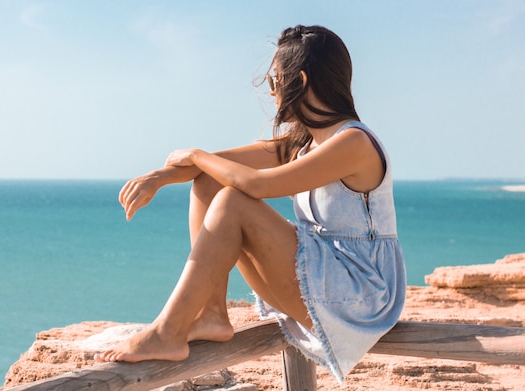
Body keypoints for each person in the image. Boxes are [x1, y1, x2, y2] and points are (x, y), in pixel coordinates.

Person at [94, 24, 406, 383]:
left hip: (362, 298)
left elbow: (254, 185)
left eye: (275, 82)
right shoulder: (304, 143)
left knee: (232, 200)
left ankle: (167, 332)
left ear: (300, 82)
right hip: (324, 279)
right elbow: (213, 167)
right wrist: (161, 177)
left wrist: (195, 154)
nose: (272, 93)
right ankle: (211, 312)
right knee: (212, 181)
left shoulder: (353, 143)